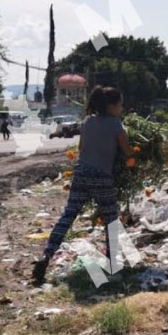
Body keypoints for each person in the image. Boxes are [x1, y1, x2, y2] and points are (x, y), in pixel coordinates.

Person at [31, 86, 133, 285]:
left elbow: (81, 148)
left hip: (80, 175)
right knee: (111, 220)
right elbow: (127, 151)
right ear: (111, 106)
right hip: (101, 177)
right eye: (120, 104)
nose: (122, 108)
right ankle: (113, 265)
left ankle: (46, 256)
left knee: (68, 216)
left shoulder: (87, 122)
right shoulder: (115, 124)